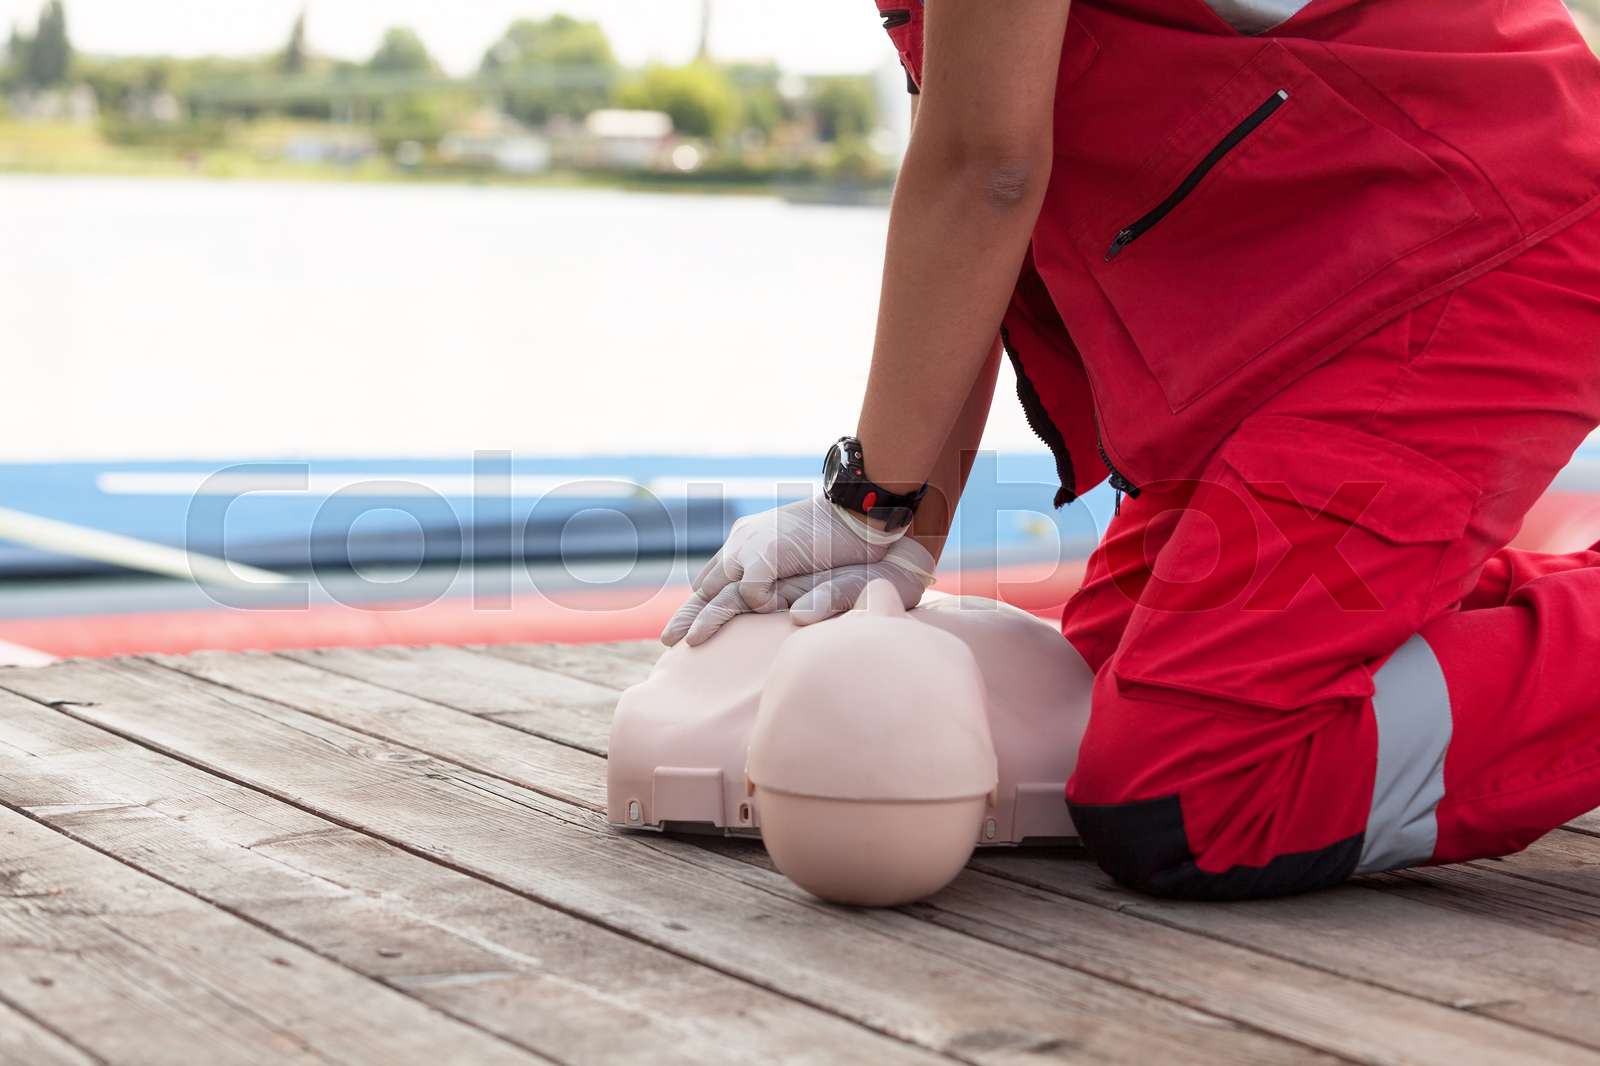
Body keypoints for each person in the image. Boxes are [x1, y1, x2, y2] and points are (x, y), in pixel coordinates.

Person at [662, 0, 1600, 900]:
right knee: (1097, 683)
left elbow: (984, 173)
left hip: (1471, 253)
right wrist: (897, 532)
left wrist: (866, 502)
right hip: (1323, 295)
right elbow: (969, 186)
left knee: (1188, 788)